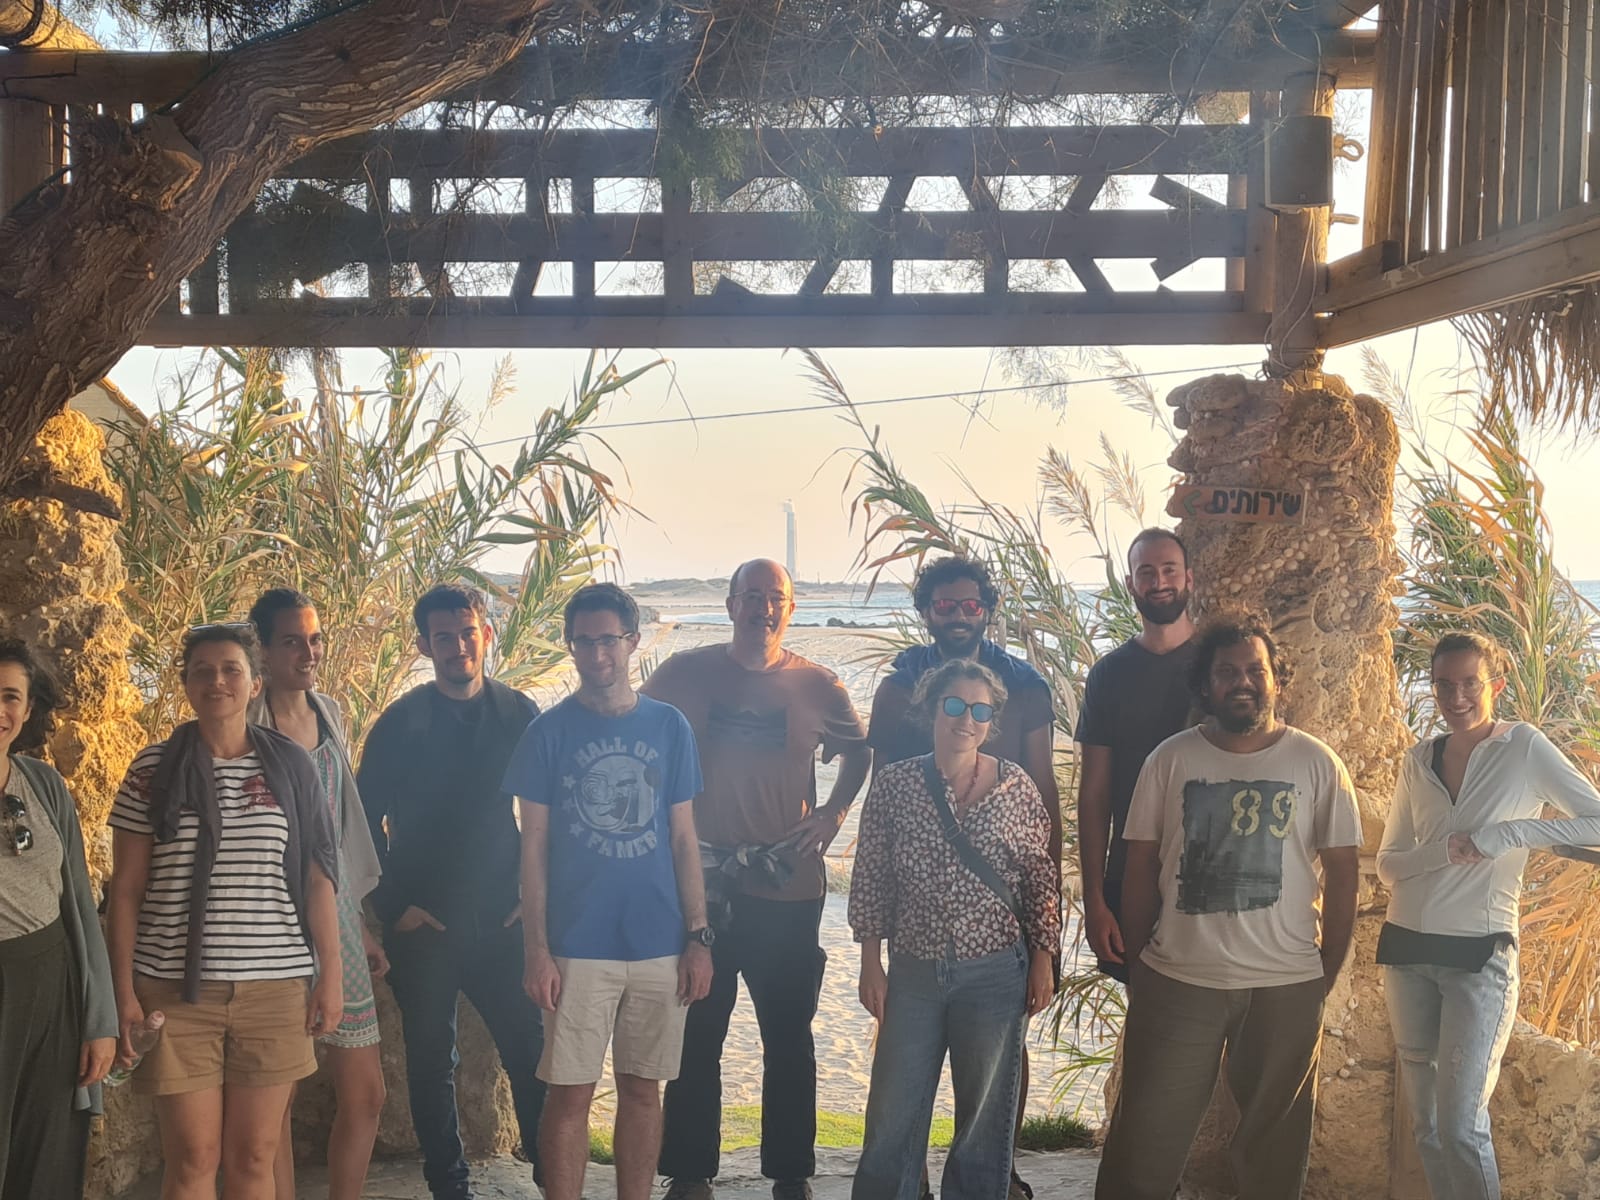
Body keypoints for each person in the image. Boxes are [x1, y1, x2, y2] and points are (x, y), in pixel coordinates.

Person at [1094, 613, 1361, 1200]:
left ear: (1276, 679)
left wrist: (1324, 972)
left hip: (1285, 986)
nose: (1243, 682)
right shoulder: (1170, 759)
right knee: (1143, 1146)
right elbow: (1139, 866)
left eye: (1255, 670)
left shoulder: (1317, 763)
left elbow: (1344, 874)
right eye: (1226, 672)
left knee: (1274, 1154)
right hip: (1179, 981)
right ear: (1205, 685)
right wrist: (1140, 966)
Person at [644, 559, 871, 1200]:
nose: (762, 608)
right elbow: (632, 731)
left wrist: (835, 812)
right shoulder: (682, 673)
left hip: (787, 885)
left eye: (775, 597)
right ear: (730, 604)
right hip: (702, 883)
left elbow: (860, 750)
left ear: (790, 609)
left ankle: (791, 1175)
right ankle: (690, 1174)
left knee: (789, 1038)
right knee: (697, 1033)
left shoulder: (817, 684)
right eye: (750, 596)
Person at [106, 622, 342, 1200]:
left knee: (255, 1156)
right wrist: (123, 991)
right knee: (192, 1158)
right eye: (202, 671)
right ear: (186, 683)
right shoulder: (152, 769)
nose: (217, 681)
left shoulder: (291, 766)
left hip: (275, 990)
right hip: (175, 992)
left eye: (231, 669)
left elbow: (318, 878)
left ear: (256, 682)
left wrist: (330, 975)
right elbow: (126, 891)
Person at [507, 583, 715, 1200]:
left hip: (659, 942)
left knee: (644, 1091)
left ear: (632, 641)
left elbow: (684, 839)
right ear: (569, 645)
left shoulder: (669, 727)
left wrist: (699, 938)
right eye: (584, 641)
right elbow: (532, 849)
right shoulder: (547, 733)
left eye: (608, 640)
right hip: (576, 945)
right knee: (569, 1095)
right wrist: (536, 951)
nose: (597, 654)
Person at [1378, 631, 1600, 1200]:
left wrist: (1511, 833)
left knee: (1461, 1128)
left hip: (1479, 958)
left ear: (1494, 685)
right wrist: (1444, 851)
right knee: (1428, 1128)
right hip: (1405, 953)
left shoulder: (1522, 747)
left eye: (1469, 683)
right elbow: (1388, 865)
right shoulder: (1418, 759)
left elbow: (1596, 821)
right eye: (1443, 685)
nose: (1456, 697)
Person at [864, 554, 1058, 1200]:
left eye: (969, 604)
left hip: (997, 955)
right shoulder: (898, 694)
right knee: (896, 1103)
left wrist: (1043, 950)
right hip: (916, 957)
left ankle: (995, 1181)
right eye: (943, 604)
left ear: (986, 609)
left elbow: (1038, 858)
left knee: (988, 1104)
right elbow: (875, 864)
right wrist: (870, 959)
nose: (956, 614)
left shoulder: (1024, 691)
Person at [357, 583, 546, 1200]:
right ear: (424, 645)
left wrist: (532, 897)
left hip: (503, 921)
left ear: (486, 635)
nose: (458, 646)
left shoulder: (519, 713)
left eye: (468, 633)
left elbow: (549, 813)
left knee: (530, 1054)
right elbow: (362, 820)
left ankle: (554, 1179)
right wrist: (393, 907)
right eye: (444, 637)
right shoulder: (402, 722)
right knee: (432, 1063)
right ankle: (449, 1187)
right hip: (424, 925)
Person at [247, 589, 388, 1200]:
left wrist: (358, 924)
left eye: (315, 639)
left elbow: (339, 825)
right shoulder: (245, 724)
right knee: (275, 1101)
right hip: (272, 923)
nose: (308, 653)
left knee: (367, 1093)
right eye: (291, 641)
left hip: (336, 917)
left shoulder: (330, 712)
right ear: (262, 649)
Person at [0, 636, 116, 1200]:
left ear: (28, 708)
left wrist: (99, 1021)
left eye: (10, 696)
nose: (0, 709)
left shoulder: (43, 785)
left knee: (43, 1159)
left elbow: (81, 910)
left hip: (52, 992)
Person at [1076, 528, 1197, 981]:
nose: (1159, 582)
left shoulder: (1220, 666)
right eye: (1146, 572)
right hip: (1130, 876)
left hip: (1209, 874)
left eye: (1169, 570)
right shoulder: (1108, 675)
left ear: (1189, 578)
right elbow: (1094, 794)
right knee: (1143, 1008)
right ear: (1130, 584)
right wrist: (1094, 901)